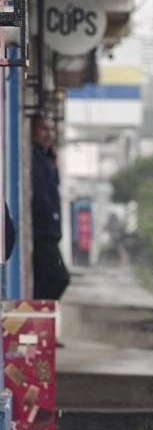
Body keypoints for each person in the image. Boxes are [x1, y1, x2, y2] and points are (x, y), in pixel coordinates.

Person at [30, 116, 70, 300]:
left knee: (45, 280)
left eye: (52, 130)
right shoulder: (34, 157)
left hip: (49, 231)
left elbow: (54, 185)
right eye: (44, 129)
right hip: (42, 231)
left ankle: (38, 316)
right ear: (33, 130)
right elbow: (39, 193)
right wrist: (50, 216)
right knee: (59, 278)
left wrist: (54, 166)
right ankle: (38, 314)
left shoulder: (46, 158)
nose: (49, 134)